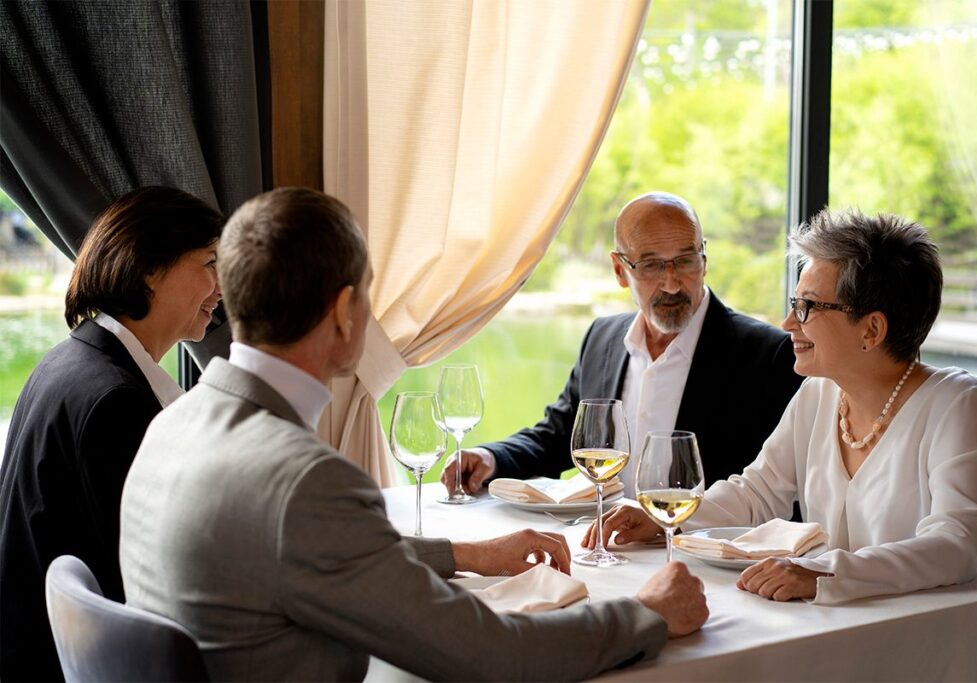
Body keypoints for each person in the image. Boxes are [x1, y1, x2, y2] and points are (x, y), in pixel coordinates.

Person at [119, 187, 709, 681]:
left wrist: (465, 554)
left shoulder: (171, 423)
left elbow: (309, 554)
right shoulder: (305, 481)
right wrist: (645, 613)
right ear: (346, 310)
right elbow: (490, 655)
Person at [585, 208, 977, 609]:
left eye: (806, 307)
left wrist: (820, 573)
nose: (789, 323)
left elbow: (956, 545)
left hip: (950, 629)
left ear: (872, 329)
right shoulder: (819, 393)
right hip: (845, 619)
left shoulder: (961, 406)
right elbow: (757, 492)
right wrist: (663, 519)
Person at [0, 187, 224, 682]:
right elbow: (148, 580)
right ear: (148, 268)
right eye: (209, 263)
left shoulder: (70, 360)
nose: (221, 287)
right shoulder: (115, 401)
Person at [443, 191, 803, 498]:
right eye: (650, 266)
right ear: (619, 270)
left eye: (685, 261)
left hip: (705, 564)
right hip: (607, 553)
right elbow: (561, 437)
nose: (672, 283)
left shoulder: (769, 356)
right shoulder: (602, 338)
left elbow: (780, 491)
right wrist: (491, 457)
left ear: (704, 261)